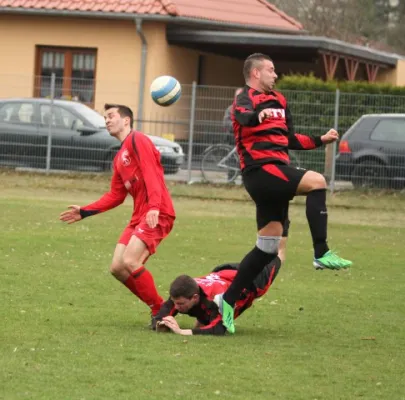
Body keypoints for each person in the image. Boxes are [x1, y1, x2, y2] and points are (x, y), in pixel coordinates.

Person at [217, 53, 352, 334]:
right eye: (271, 70)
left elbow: (289, 138)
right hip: (260, 171)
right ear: (255, 73)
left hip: (276, 170)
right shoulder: (245, 97)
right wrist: (258, 115)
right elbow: (243, 117)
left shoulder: (280, 100)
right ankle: (321, 252)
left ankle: (226, 301)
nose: (275, 75)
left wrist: (320, 140)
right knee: (317, 181)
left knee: (268, 247)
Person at [59, 104, 176, 320]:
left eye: (111, 116)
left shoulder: (138, 140)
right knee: (117, 267)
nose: (107, 121)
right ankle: (160, 307)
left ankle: (160, 311)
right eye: (105, 118)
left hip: (158, 212)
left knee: (131, 261)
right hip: (139, 216)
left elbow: (151, 173)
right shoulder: (119, 156)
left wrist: (154, 207)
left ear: (126, 120)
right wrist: (85, 211)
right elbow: (116, 195)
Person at [153, 219, 290, 335]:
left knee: (278, 253)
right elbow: (160, 314)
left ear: (194, 297)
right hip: (224, 273)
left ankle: (283, 220)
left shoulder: (216, 301)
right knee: (203, 320)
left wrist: (182, 331)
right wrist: (161, 323)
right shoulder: (183, 292)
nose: (176, 307)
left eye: (180, 304)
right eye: (175, 302)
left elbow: (219, 329)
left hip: (254, 281)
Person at [222, 87, 243, 182]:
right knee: (232, 160)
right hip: (232, 137)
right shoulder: (230, 109)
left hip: (244, 138)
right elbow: (226, 122)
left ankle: (245, 181)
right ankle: (230, 180)